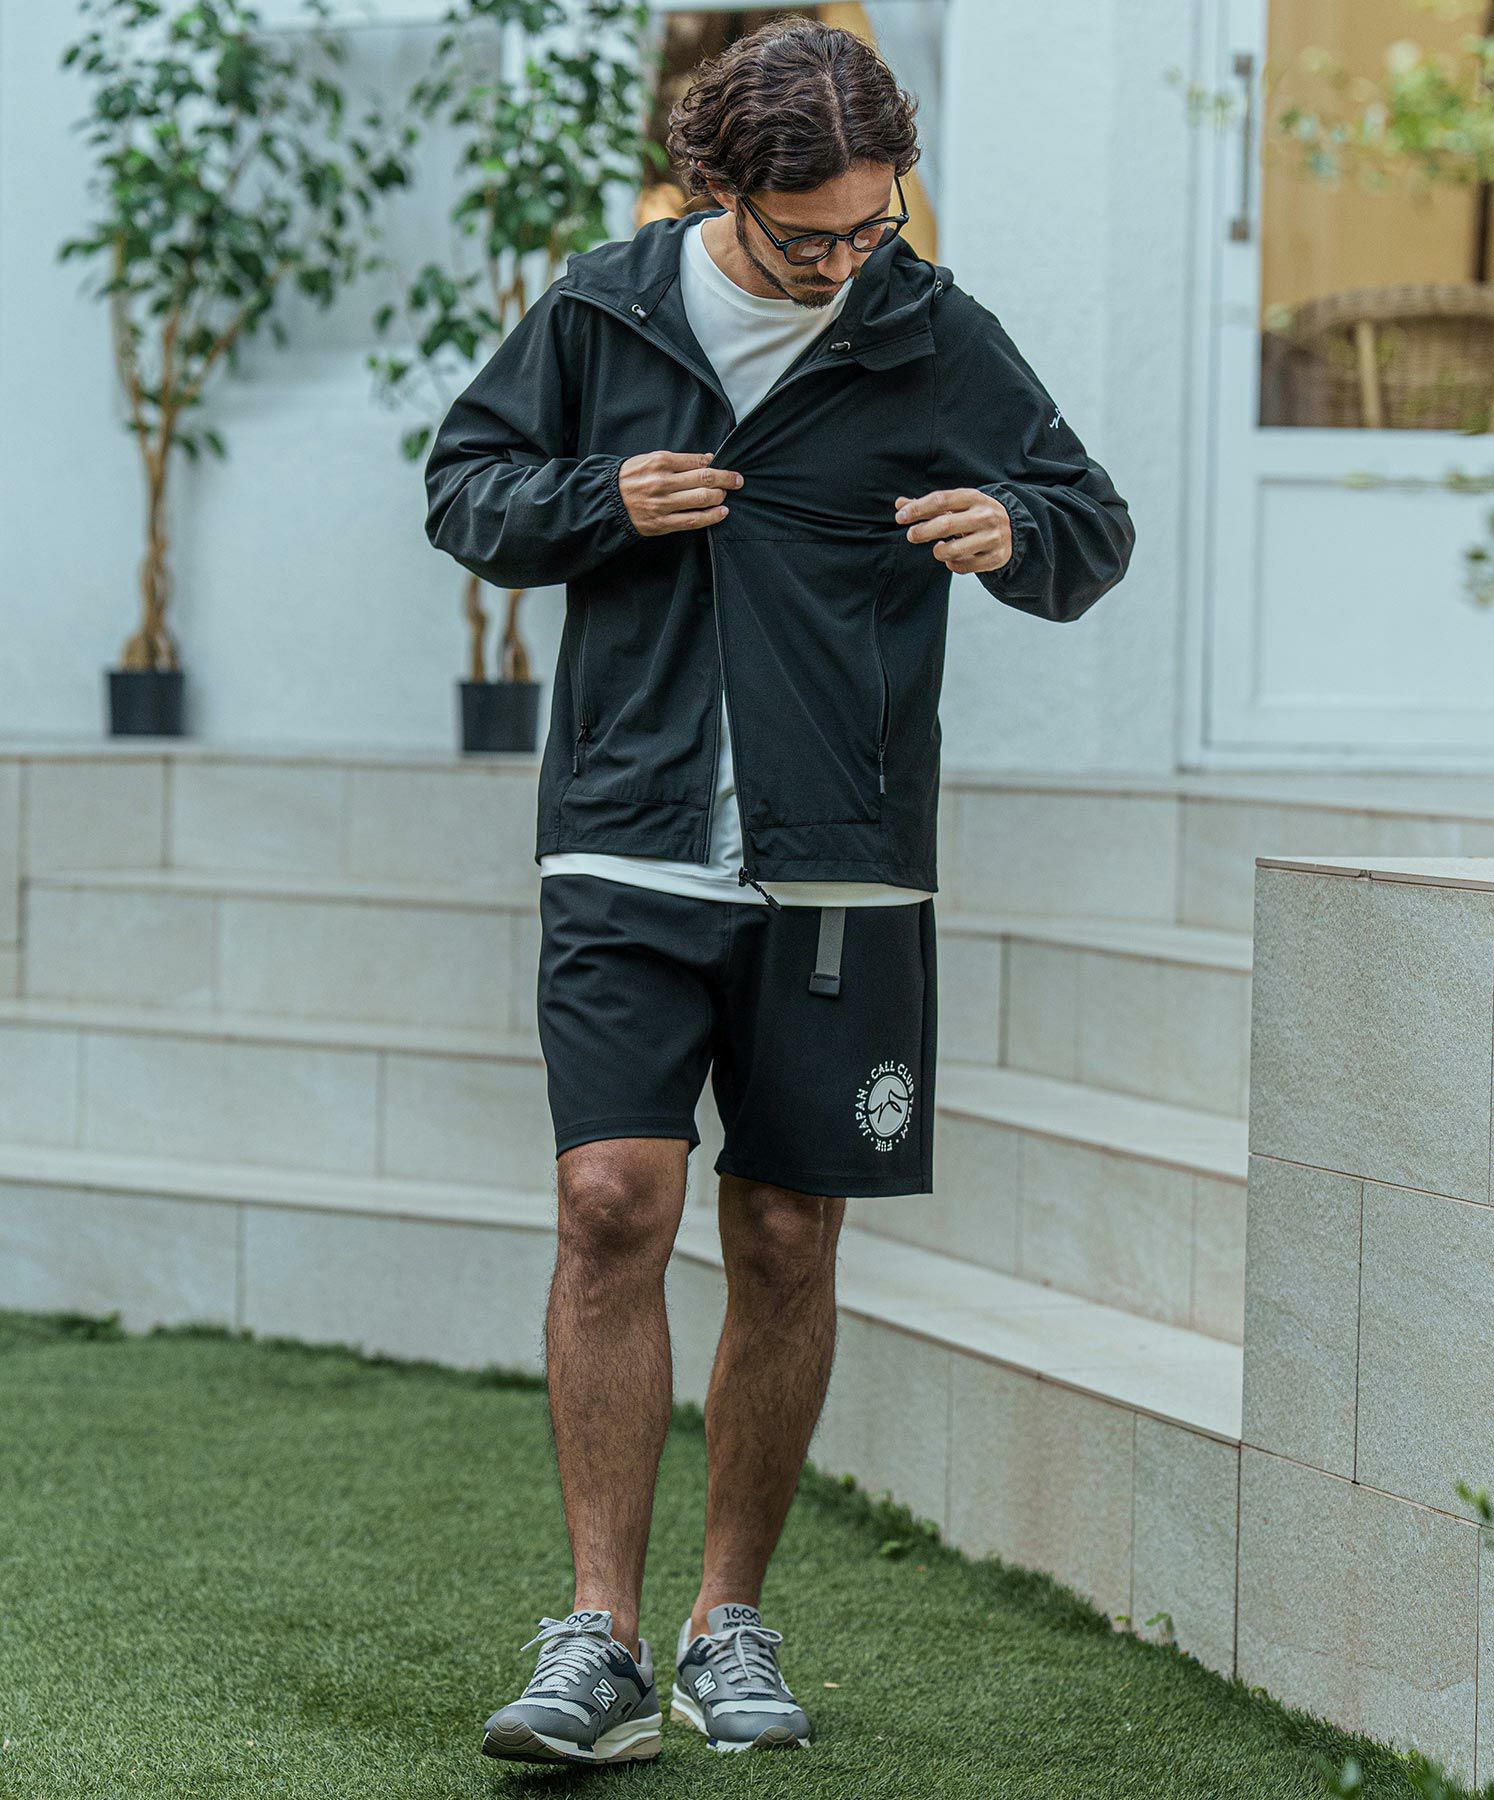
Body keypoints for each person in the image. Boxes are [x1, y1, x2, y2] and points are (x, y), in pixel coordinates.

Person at [423, 16, 1134, 1767]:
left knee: (788, 1235)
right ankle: (595, 1637)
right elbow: (465, 491)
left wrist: (1013, 534)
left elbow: (1088, 523)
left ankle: (725, 1625)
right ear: (716, 187)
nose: (841, 263)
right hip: (627, 831)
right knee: (611, 1201)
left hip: (845, 864)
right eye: (807, 236)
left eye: (871, 227)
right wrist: (602, 498)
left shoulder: (926, 325)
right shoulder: (605, 311)